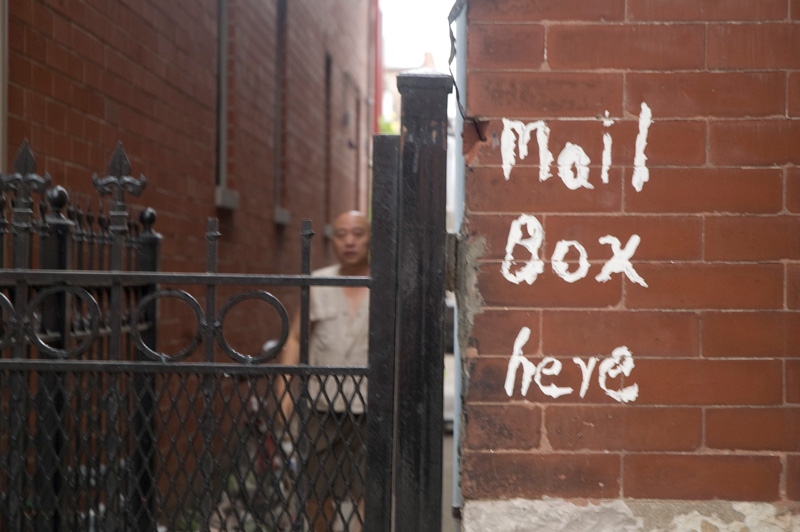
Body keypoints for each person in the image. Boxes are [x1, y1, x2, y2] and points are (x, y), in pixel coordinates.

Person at [278, 210, 370, 532]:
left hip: (369, 409)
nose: (349, 241)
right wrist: (285, 391)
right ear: (332, 240)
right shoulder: (319, 283)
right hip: (321, 406)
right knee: (316, 494)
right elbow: (294, 338)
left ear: (370, 237)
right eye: (342, 233)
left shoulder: (384, 285)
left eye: (357, 233)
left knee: (365, 493)